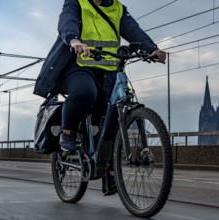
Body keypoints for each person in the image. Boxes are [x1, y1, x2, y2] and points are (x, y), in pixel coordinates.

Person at [33, 0, 166, 195]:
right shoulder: (76, 3)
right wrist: (74, 40)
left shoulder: (117, 8)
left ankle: (109, 171)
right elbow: (67, 22)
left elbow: (133, 31)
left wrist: (151, 49)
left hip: (110, 70)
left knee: (112, 116)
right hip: (79, 65)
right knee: (85, 93)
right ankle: (68, 131)